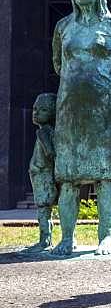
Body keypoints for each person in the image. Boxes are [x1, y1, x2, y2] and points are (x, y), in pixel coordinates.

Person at [51, 0, 111, 256]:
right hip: (70, 111)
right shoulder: (63, 27)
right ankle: (67, 237)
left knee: (106, 175)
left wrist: (100, 86)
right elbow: (58, 65)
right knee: (68, 177)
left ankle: (106, 236)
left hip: (103, 111)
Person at [24, 93, 57, 252]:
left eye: (42, 110)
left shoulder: (44, 132)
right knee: (44, 208)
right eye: (35, 109)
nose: (36, 113)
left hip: (43, 174)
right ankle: (46, 239)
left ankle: (44, 240)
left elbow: (50, 153)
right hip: (40, 173)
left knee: (43, 208)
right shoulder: (47, 131)